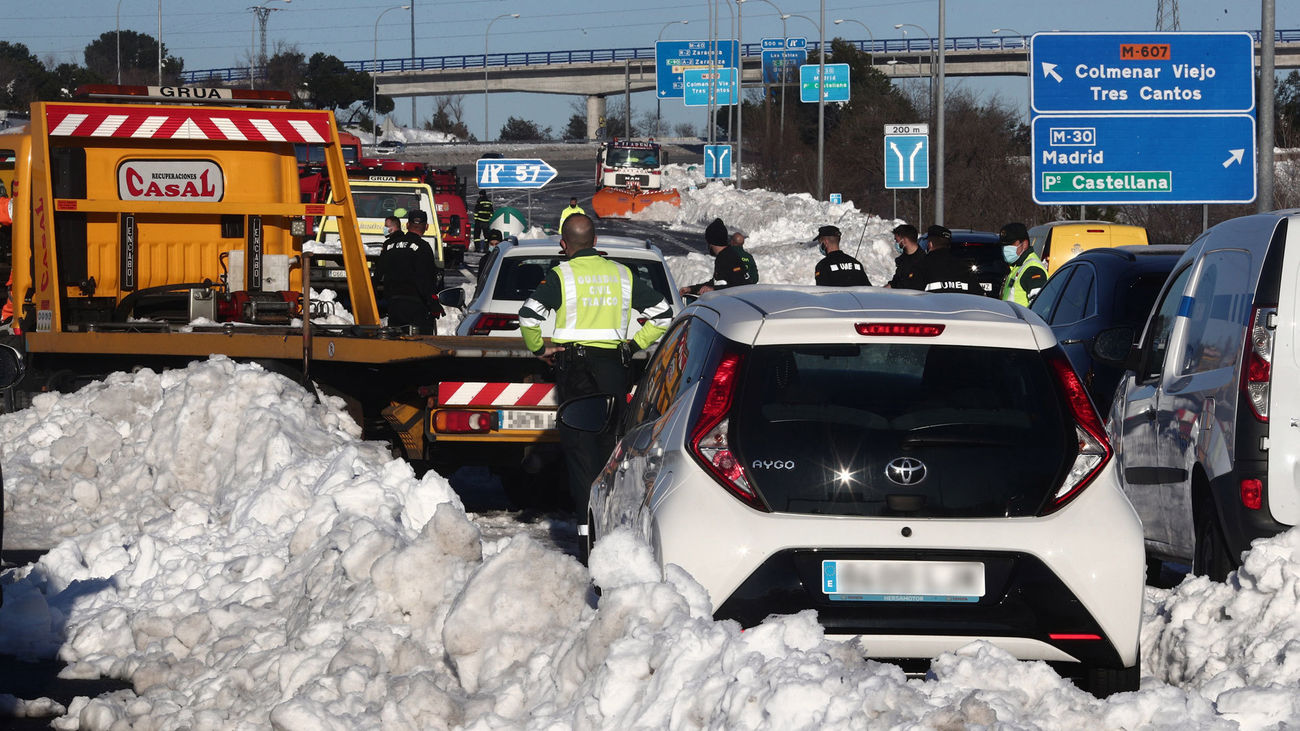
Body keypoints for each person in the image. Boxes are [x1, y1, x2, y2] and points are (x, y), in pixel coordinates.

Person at [518, 213, 672, 514]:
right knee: (610, 450)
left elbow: (529, 316)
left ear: (564, 244)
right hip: (615, 369)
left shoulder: (562, 276)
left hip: (576, 372)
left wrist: (539, 348)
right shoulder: (623, 274)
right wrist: (634, 345)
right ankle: (611, 520)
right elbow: (663, 315)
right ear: (595, 242)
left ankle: (587, 531)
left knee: (579, 452)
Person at [373, 209, 444, 334]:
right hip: (416, 306)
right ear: (426, 227)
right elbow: (426, 279)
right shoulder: (423, 247)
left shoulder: (390, 245)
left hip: (394, 305)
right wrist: (433, 303)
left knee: (396, 342)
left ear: (407, 225)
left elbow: (377, 275)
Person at [680, 218, 759, 295]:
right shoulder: (723, 256)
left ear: (711, 242)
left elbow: (740, 285)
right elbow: (716, 282)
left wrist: (714, 290)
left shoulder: (729, 257)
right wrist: (691, 289)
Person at [911, 224, 982, 295]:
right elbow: (978, 295)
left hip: (931, 306)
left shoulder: (921, 266)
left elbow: (911, 294)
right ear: (949, 245)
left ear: (930, 244)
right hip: (960, 305)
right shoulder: (964, 267)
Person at [999, 222, 1048, 306]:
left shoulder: (1032, 269)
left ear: (1024, 244)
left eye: (1010, 244)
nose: (1005, 249)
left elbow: (1039, 306)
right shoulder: (1017, 266)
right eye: (1004, 245)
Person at [887, 223, 925, 290]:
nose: (896, 243)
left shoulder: (923, 260)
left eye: (896, 240)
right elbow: (894, 283)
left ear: (904, 240)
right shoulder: (902, 260)